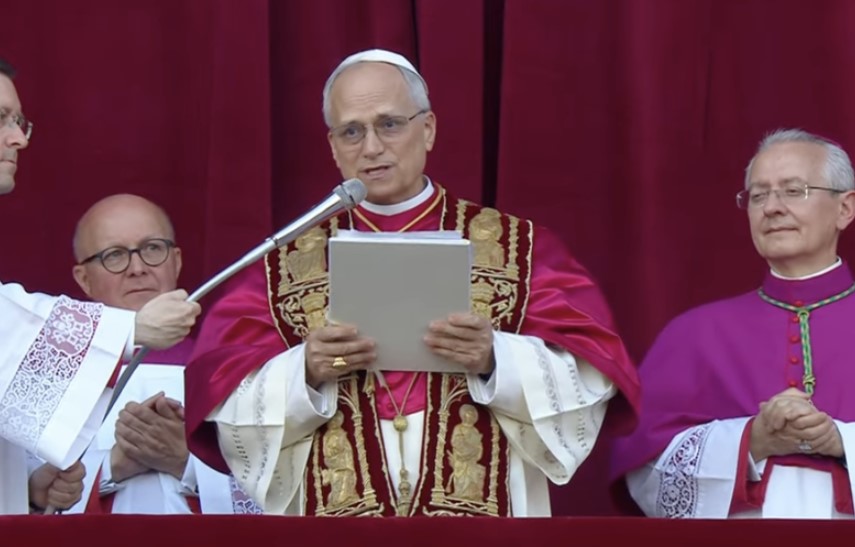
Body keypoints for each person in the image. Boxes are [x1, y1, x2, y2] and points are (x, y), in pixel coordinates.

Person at [184, 48, 641, 517]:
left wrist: (495, 358)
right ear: (333, 146)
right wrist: (305, 372)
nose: (372, 147)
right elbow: (224, 394)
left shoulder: (517, 248)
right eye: (352, 131)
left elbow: (590, 374)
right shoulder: (282, 265)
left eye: (390, 124)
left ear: (428, 130)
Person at [610, 128, 855, 519]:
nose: (772, 207)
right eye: (758, 195)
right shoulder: (694, 334)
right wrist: (751, 439)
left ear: (845, 209)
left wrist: (841, 440)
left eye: (794, 191)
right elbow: (645, 472)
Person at [0, 57, 200, 515]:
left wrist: (32, 494)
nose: (18, 139)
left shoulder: (229, 362)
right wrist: (132, 331)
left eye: (19, 121)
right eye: (1, 120)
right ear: (82, 278)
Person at [64, 193, 260, 515]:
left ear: (177, 261)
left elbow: (282, 489)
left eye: (153, 248)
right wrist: (115, 466)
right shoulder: (51, 377)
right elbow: (22, 491)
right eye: (114, 255)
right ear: (84, 280)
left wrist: (186, 463)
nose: (138, 268)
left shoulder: (233, 370)